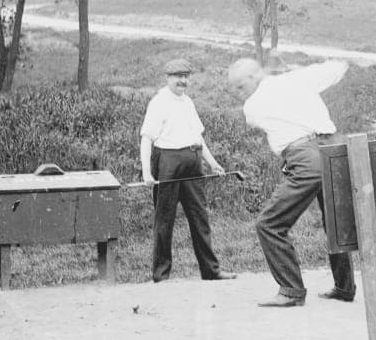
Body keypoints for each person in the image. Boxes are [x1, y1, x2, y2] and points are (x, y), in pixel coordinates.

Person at [227, 53, 356, 308]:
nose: (239, 93)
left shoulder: (252, 106)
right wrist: (298, 70)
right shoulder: (299, 78)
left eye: (241, 86)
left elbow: (256, 120)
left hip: (305, 157)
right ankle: (344, 288)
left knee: (269, 224)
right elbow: (338, 67)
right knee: (335, 223)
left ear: (255, 75)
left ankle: (291, 291)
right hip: (334, 149)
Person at [140, 57, 237, 282]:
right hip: (168, 163)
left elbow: (197, 136)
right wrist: (146, 172)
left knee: (200, 217)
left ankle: (211, 271)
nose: (182, 81)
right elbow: (146, 139)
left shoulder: (188, 102)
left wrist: (212, 162)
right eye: (178, 77)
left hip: (193, 164)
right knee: (164, 220)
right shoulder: (158, 102)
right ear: (168, 78)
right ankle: (161, 275)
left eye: (185, 77)